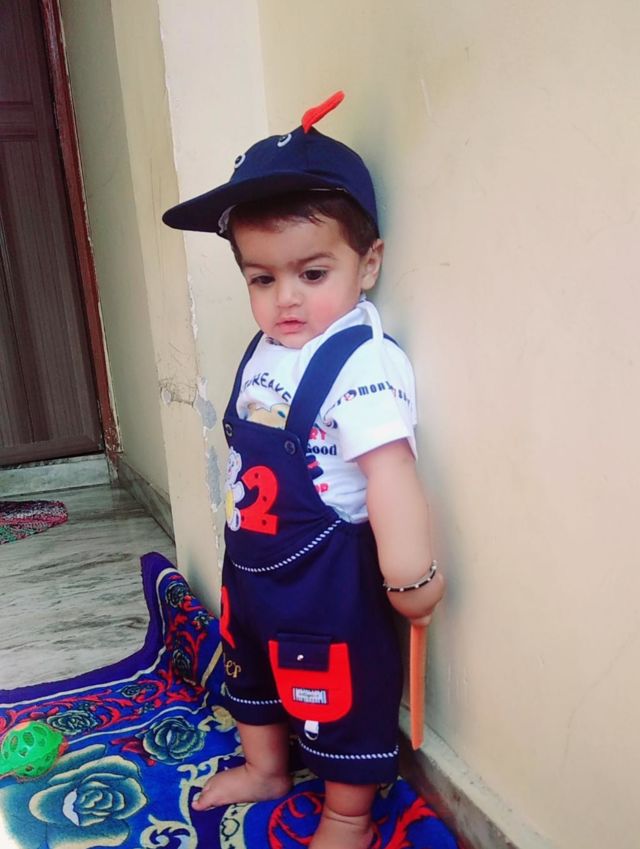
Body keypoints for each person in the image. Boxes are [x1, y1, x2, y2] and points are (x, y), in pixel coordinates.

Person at [163, 92, 445, 849]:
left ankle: (348, 812)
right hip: (253, 568)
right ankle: (267, 768)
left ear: (368, 262)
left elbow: (390, 473)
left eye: (312, 273)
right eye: (262, 279)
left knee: (340, 693)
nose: (285, 300)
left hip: (328, 585)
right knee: (250, 671)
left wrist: (411, 576)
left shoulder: (362, 364)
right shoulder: (269, 351)